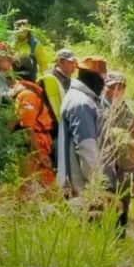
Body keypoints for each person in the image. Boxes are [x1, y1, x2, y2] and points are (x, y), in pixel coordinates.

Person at [99, 71, 134, 230]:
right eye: (112, 87)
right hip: (101, 173)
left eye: (120, 88)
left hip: (123, 174)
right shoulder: (96, 110)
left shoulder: (131, 117)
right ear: (104, 88)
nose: (115, 91)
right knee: (99, 215)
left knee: (120, 216)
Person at [60, 56, 108, 196]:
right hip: (82, 187)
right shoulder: (81, 103)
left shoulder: (78, 97)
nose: (104, 84)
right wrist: (98, 184)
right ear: (94, 78)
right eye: (102, 78)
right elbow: (86, 148)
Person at [10, 57, 55, 188]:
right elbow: (27, 129)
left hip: (38, 144)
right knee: (46, 188)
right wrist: (39, 155)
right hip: (35, 146)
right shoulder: (28, 94)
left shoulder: (25, 91)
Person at [39, 48, 79, 180]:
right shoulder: (49, 79)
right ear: (61, 62)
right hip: (53, 129)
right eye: (70, 62)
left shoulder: (68, 79)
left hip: (65, 127)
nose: (74, 66)